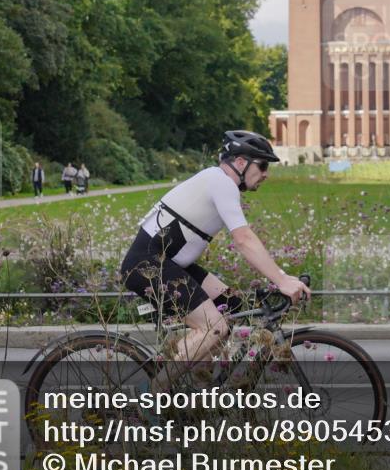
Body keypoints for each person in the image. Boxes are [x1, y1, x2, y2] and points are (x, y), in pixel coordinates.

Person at [120, 130, 311, 371]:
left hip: (169, 262)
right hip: (147, 263)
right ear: (241, 162)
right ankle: (155, 397)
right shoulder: (221, 182)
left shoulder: (218, 181)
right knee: (215, 327)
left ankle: (196, 381)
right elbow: (243, 239)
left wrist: (282, 276)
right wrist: (281, 280)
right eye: (262, 166)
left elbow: (247, 241)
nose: (266, 174)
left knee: (229, 304)